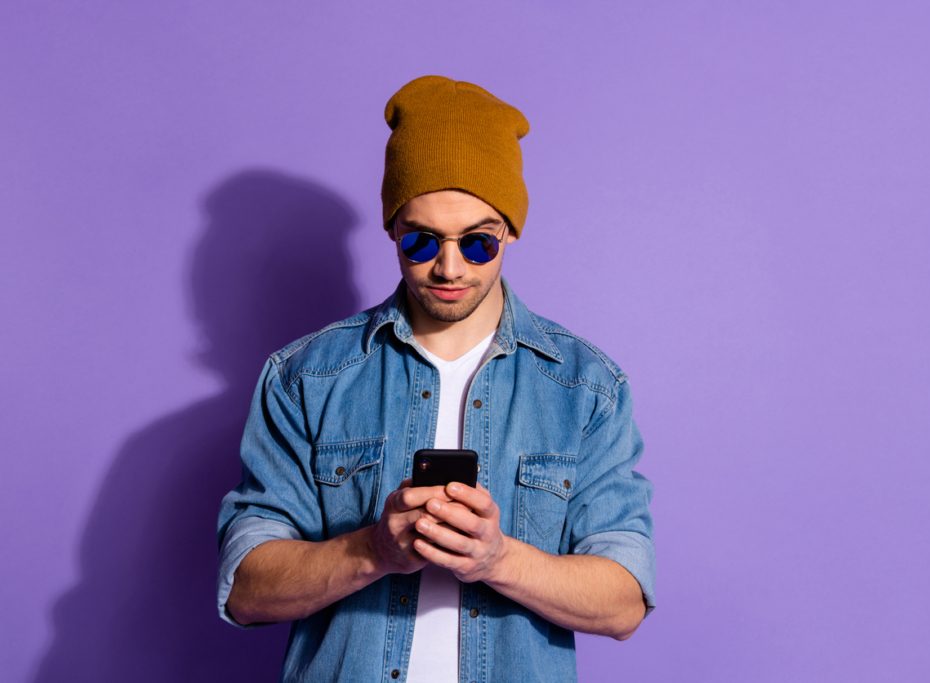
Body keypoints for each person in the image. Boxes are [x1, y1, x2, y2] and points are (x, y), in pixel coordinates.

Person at [217, 75, 656, 682]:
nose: (448, 268)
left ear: (511, 231)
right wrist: (373, 550)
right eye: (422, 241)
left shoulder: (586, 388)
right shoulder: (305, 377)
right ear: (392, 231)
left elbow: (624, 603)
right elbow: (245, 589)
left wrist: (497, 559)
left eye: (477, 244)